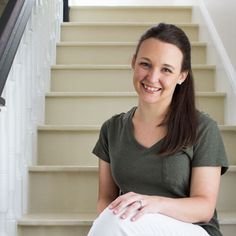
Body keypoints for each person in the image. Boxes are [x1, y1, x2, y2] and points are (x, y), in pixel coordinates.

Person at [87, 23, 228, 236]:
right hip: (132, 227)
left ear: (182, 76)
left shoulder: (203, 129)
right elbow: (105, 199)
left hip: (193, 229)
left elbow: (204, 208)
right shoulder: (111, 129)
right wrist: (118, 217)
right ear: (133, 63)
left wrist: (154, 204)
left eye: (166, 69)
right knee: (109, 219)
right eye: (145, 64)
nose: (152, 78)